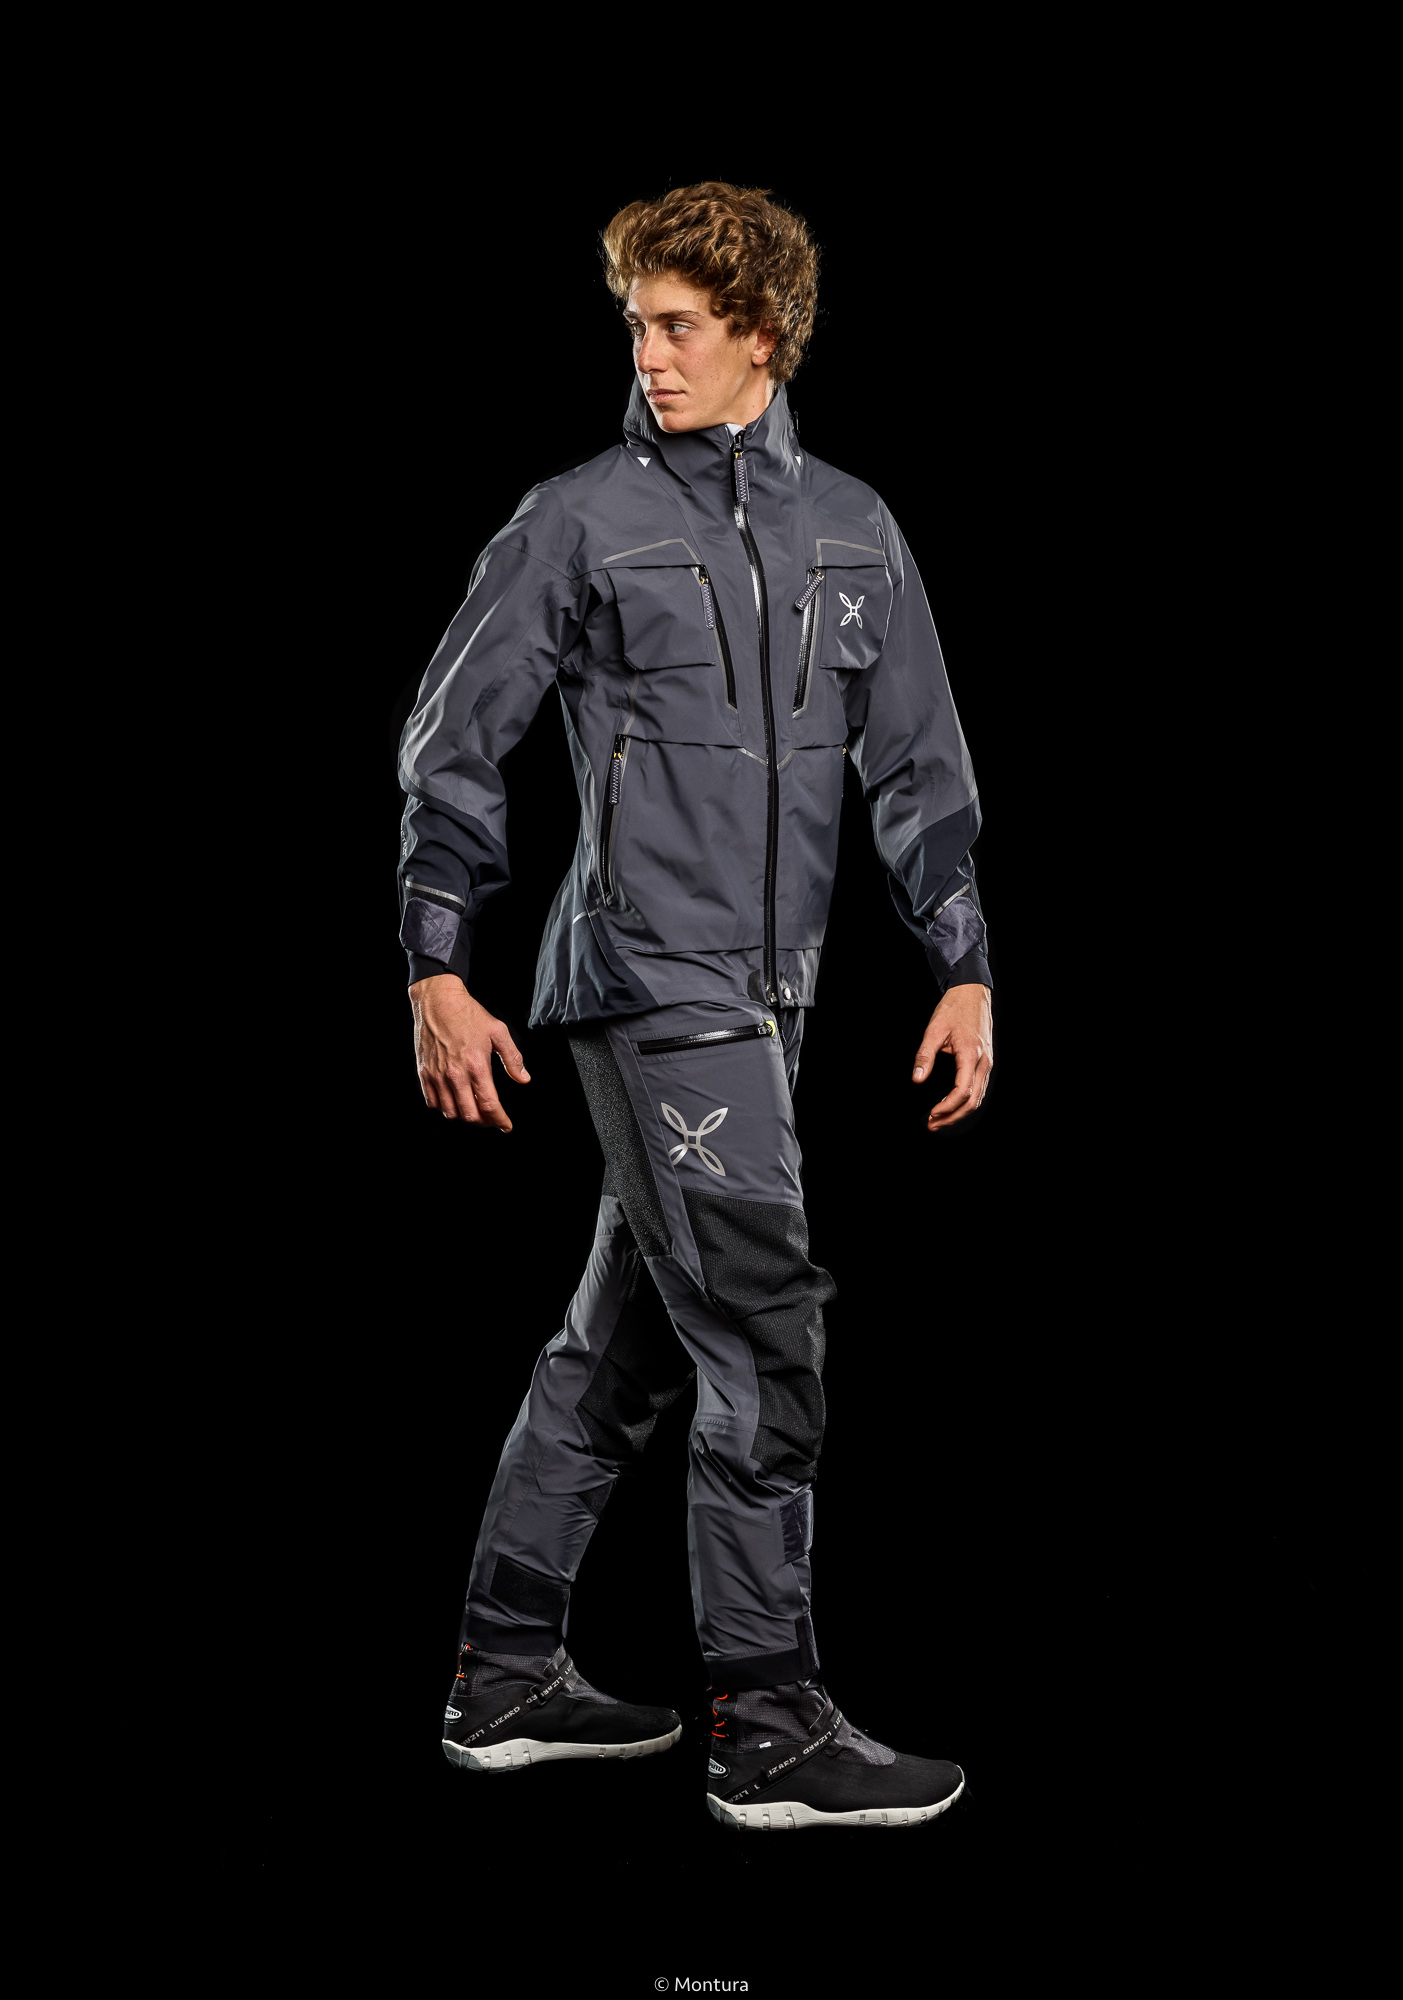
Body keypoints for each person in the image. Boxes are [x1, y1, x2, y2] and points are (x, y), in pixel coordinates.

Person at [398, 182, 992, 1829]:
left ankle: (503, 1673)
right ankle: (770, 1720)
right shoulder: (578, 521)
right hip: (649, 980)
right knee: (766, 1330)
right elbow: (452, 748)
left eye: (677, 326)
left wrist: (964, 964)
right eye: (636, 325)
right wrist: (437, 964)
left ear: (763, 334)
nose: (647, 355)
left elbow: (920, 768)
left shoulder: (855, 530)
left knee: (627, 1350)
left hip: (771, 1000)